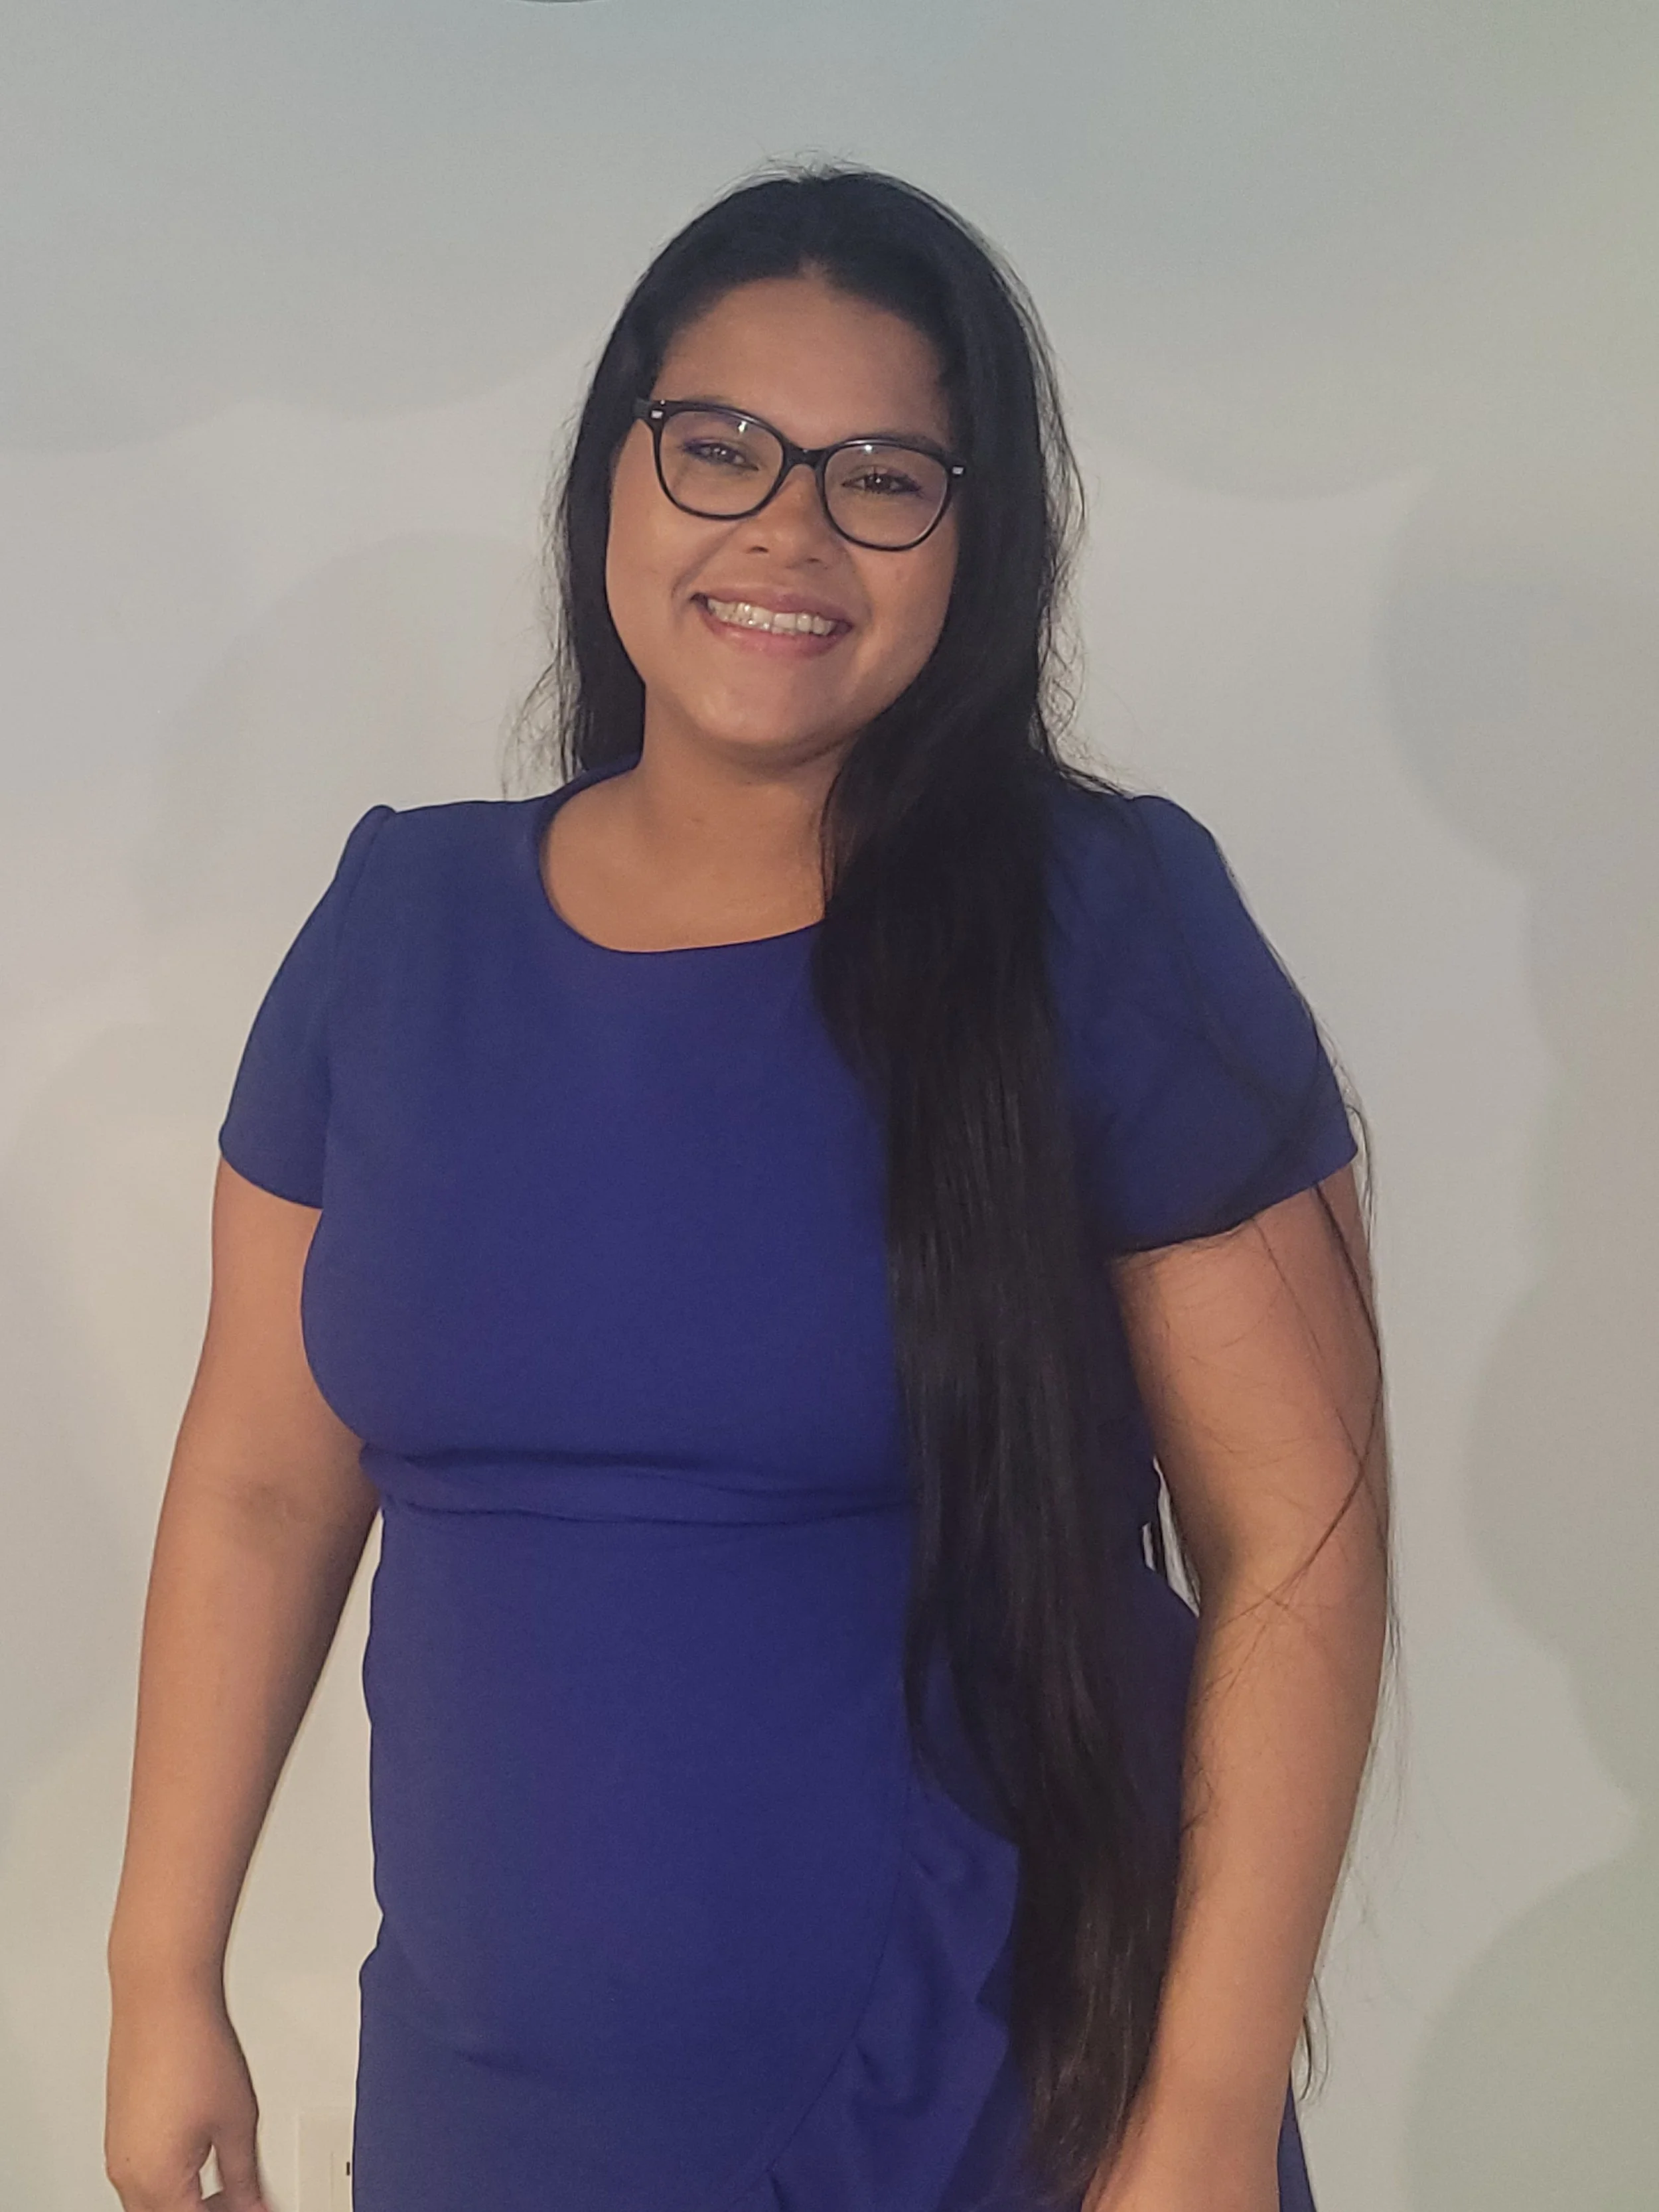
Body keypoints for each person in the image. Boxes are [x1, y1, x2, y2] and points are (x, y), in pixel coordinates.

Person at [104, 161, 1389, 2212]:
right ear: (617, 469)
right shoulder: (397, 921)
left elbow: (1296, 1532)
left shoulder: (1103, 918)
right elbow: (262, 1479)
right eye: (721, 449)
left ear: (973, 545)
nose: (785, 526)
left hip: (987, 2102)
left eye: (882, 475)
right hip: (490, 2114)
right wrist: (160, 1962)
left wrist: (1209, 2114)